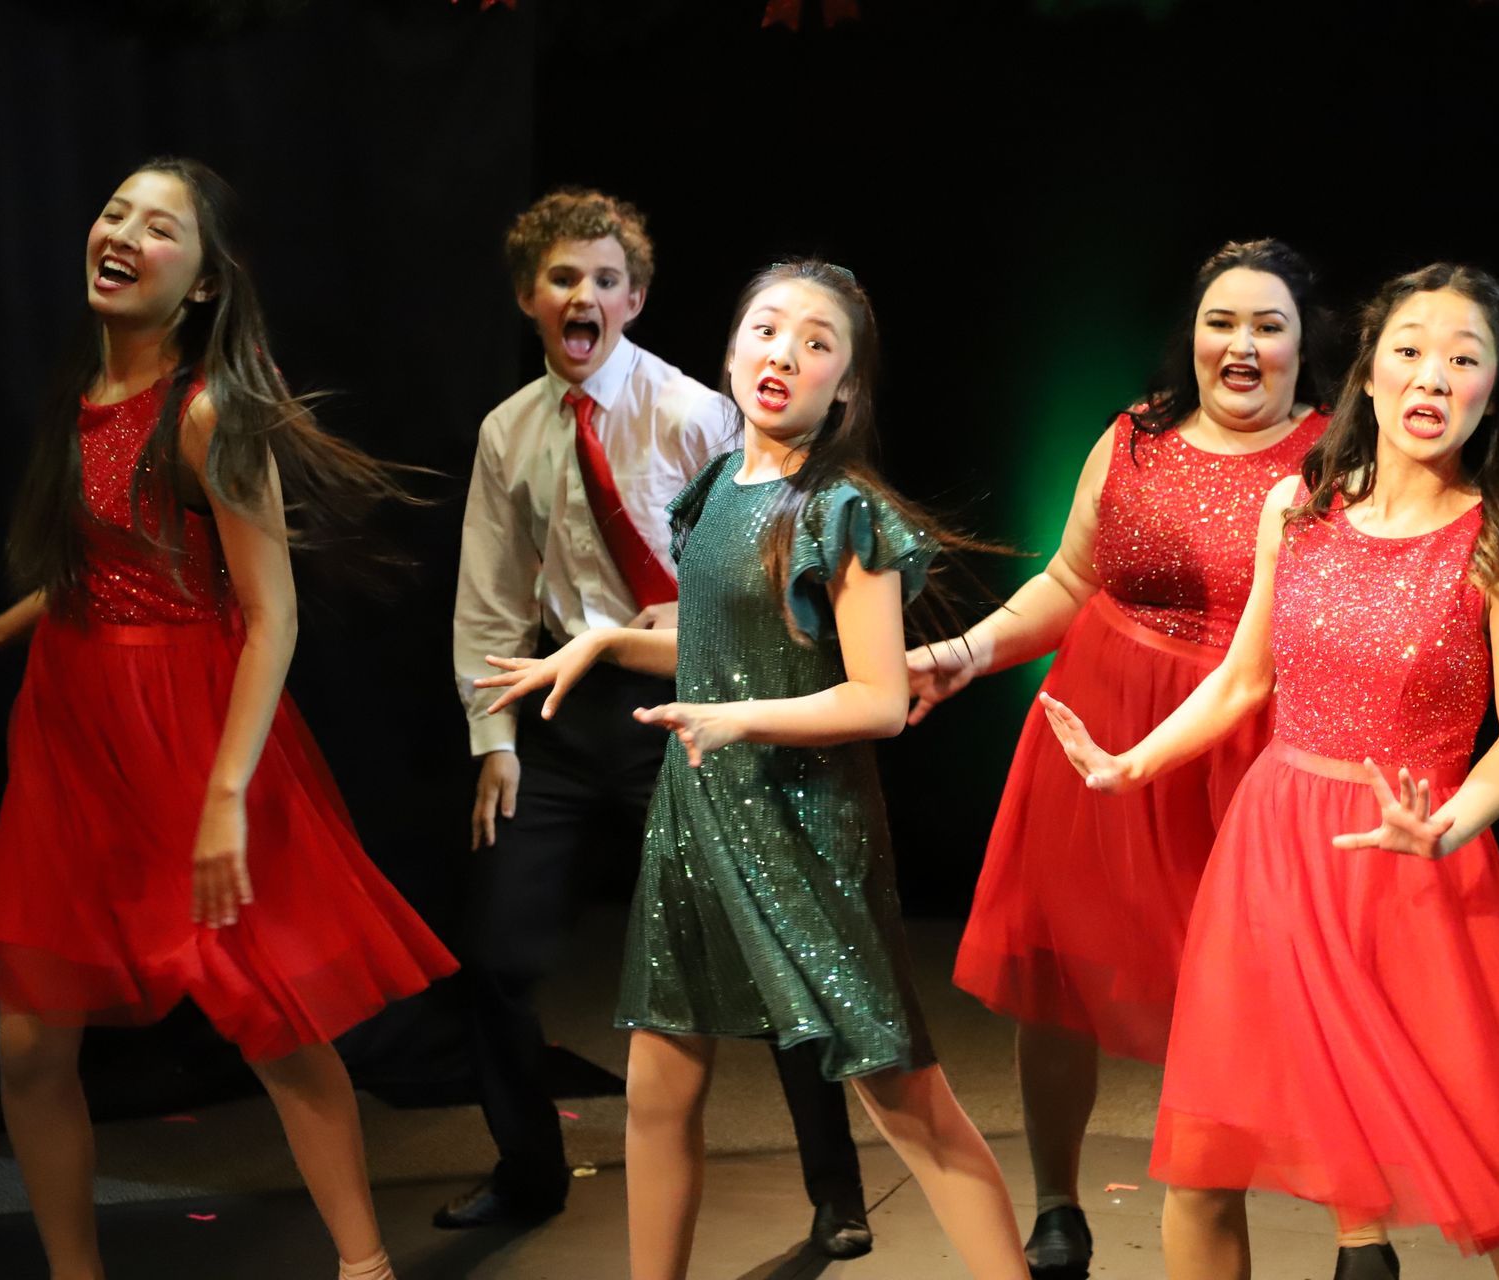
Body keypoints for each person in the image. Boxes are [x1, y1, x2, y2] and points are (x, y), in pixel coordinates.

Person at [0, 157, 456, 1280]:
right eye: (115, 213)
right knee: (30, 1041)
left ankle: (365, 1266)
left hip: (187, 730)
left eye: (158, 227)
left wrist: (227, 791)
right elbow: (112, 555)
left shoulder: (208, 414)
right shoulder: (83, 391)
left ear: (204, 283)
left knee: (272, 1015)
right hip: (70, 730)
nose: (124, 234)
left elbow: (271, 613)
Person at [1044, 264, 1499, 1280]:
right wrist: (1130, 761)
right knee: (1205, 1164)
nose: (1432, 376)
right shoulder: (1299, 507)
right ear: (1368, 373)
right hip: (1272, 856)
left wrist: (1446, 827)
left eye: (1462, 359)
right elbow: (1245, 680)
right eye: (1410, 350)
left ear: (1494, 390)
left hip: (1414, 869)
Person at [476, 260, 1030, 1279]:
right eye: (766, 329)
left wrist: (738, 718)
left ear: (845, 386)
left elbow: (877, 698)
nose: (784, 353)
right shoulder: (716, 489)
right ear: (732, 350)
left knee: (904, 1094)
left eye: (817, 343)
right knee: (659, 1083)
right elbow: (719, 649)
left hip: (805, 827)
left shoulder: (843, 511)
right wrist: (605, 641)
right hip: (697, 814)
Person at [448, 191, 870, 1256]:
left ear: (633, 298)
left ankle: (837, 1189)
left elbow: (758, 553)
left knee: (770, 941)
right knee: (494, 953)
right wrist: (494, 741)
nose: (582, 296)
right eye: (562, 279)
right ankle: (528, 1167)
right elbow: (489, 596)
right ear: (528, 297)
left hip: (697, 691)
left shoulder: (692, 410)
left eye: (604, 279)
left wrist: (694, 627)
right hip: (564, 698)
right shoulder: (509, 432)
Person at [912, 239, 1330, 1277]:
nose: (1240, 345)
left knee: (1243, 999)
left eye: (1267, 325)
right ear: (1191, 334)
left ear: (1303, 342)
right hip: (1093, 731)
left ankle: (1292, 1224)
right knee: (1062, 980)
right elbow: (1068, 579)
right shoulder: (1133, 435)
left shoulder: (1333, 460)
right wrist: (966, 652)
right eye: (1220, 322)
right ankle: (1058, 1205)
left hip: (1239, 751)